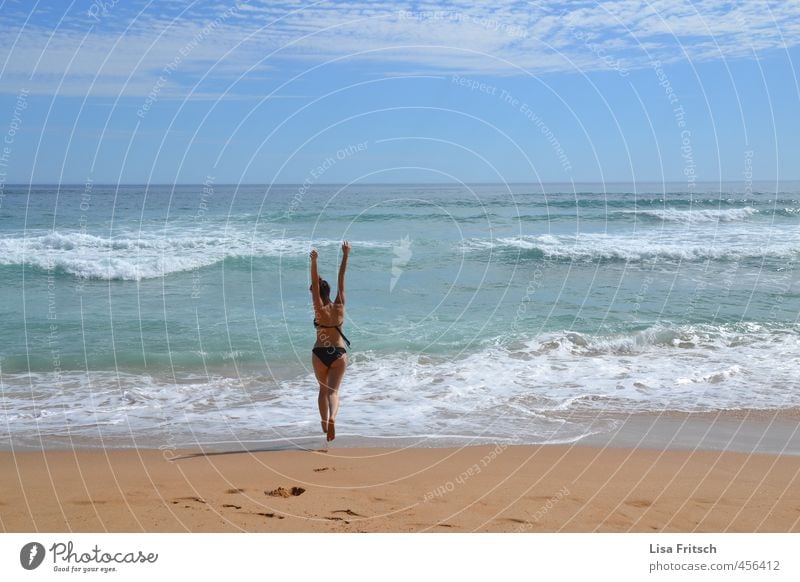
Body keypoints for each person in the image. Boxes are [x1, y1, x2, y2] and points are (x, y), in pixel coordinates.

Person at [309, 241, 351, 441]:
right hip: (338, 354)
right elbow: (342, 277)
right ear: (330, 291)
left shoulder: (318, 308)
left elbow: (315, 287)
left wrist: (314, 261)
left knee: (322, 390)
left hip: (319, 354)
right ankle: (333, 417)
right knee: (333, 392)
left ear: (317, 292)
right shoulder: (340, 305)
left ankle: (324, 424)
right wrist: (345, 254)